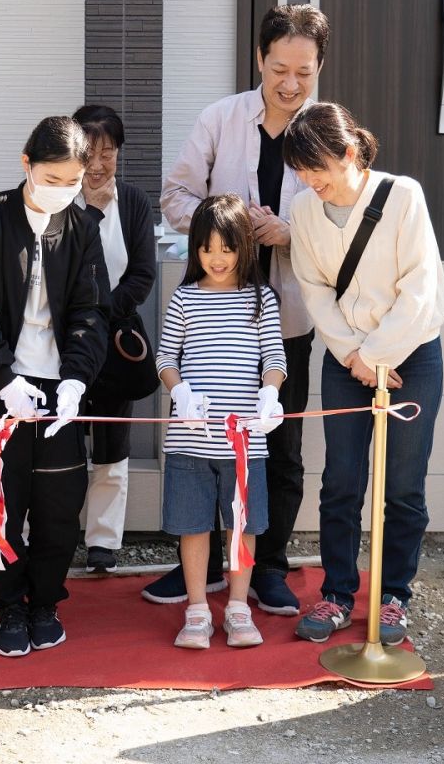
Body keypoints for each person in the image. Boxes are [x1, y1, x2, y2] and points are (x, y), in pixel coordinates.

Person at [152, 4, 331, 614]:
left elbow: (345, 220)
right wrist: (223, 224)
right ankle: (193, 568)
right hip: (210, 316)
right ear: (259, 59)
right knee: (198, 449)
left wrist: (290, 232)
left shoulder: (329, 132)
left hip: (289, 320)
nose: (290, 83)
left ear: (318, 69)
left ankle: (269, 566)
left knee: (279, 448)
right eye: (279, 67)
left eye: (303, 72)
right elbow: (174, 194)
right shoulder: (220, 119)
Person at [282, 102, 444, 646]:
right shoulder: (305, 210)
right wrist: (355, 356)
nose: (309, 182)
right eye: (301, 172)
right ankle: (336, 592)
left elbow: (419, 288)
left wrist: (378, 356)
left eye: (317, 169)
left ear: (349, 153)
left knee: (402, 483)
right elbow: (314, 290)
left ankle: (394, 594)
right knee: (342, 481)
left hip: (411, 356)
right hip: (343, 356)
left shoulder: (403, 196)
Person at [0, 116, 109, 658]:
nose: (61, 190)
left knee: (61, 502)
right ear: (26, 164)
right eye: (51, 177)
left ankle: (46, 601)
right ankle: (9, 603)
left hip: (60, 389)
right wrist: (1, 378)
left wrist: (77, 381)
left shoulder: (82, 227)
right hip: (4, 388)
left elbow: (91, 312)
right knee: (0, 501)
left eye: (72, 181)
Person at [157, 194, 286, 649]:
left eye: (227, 248)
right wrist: (180, 391)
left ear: (244, 248)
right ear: (195, 250)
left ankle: (237, 607)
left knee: (242, 527)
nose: (217, 258)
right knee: (193, 527)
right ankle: (196, 610)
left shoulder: (261, 299)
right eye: (207, 248)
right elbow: (164, 357)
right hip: (190, 441)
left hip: (244, 444)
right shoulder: (184, 299)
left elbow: (275, 356)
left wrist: (270, 392)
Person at [70, 104, 157, 574]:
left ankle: (104, 540)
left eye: (109, 153)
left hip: (116, 339)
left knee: (112, 440)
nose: (99, 165)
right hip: (63, 343)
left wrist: (103, 316)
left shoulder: (136, 202)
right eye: (89, 153)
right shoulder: (59, 197)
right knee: (58, 440)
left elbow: (142, 273)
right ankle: (57, 531)